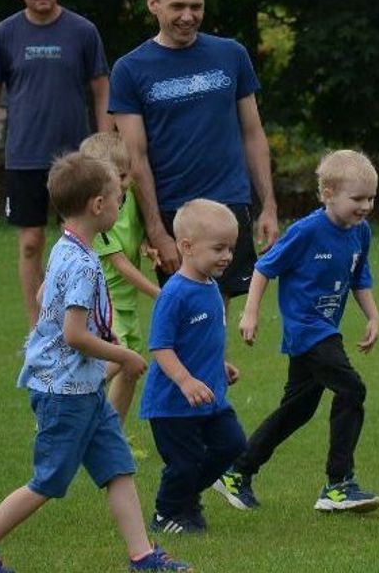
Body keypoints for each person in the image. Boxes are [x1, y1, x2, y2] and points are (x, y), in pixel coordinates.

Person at [0, 152, 190, 573]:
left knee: (117, 467)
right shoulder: (82, 262)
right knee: (48, 480)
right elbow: (73, 335)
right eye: (117, 199)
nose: (120, 206)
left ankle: (142, 557)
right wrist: (124, 354)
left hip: (83, 389)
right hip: (64, 393)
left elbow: (46, 299)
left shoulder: (66, 246)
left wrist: (101, 337)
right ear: (99, 205)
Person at [213, 150, 379, 513]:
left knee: (297, 410)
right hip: (308, 331)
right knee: (352, 389)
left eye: (370, 198)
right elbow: (264, 268)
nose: (365, 206)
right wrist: (251, 312)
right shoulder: (306, 231)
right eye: (357, 199)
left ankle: (237, 472)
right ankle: (338, 484)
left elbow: (359, 276)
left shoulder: (360, 232)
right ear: (328, 194)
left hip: (323, 330)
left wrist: (373, 315)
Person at [110, 0, 279, 303]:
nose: (188, 16)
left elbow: (253, 134)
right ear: (153, 4)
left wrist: (269, 206)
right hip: (175, 210)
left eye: (196, 6)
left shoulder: (231, 54)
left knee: (219, 310)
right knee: (187, 310)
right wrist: (156, 230)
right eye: (177, 6)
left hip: (230, 201)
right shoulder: (129, 69)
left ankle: (211, 360)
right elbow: (135, 157)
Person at [0, 0, 112, 327]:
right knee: (31, 241)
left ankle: (83, 320)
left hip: (77, 158)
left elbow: (102, 91)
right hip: (25, 156)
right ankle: (38, 328)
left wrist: (104, 148)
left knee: (84, 240)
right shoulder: (5, 34)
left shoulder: (82, 31)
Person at [139, 199, 248, 534]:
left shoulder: (211, 288)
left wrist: (220, 364)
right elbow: (161, 347)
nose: (227, 256)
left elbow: (204, 338)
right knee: (184, 463)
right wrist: (185, 381)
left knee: (232, 444)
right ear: (186, 246)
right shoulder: (174, 294)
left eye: (231, 248)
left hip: (210, 395)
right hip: (173, 403)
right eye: (219, 248)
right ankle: (166, 512)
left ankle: (182, 500)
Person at [81, 132, 160, 449]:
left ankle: (111, 437)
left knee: (131, 369)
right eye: (123, 175)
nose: (128, 181)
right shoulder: (97, 213)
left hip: (125, 306)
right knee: (119, 361)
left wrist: (147, 247)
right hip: (105, 303)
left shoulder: (128, 201)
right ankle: (67, 400)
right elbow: (120, 265)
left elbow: (136, 238)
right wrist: (158, 293)